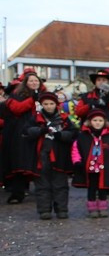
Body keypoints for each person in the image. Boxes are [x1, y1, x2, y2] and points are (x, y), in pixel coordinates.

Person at [25, 91, 76, 219]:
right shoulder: (35, 119)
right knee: (42, 185)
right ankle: (44, 210)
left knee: (60, 184)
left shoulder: (64, 119)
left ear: (56, 104)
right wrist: (40, 131)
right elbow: (26, 132)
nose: (48, 106)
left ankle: (61, 209)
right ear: (42, 105)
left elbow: (73, 133)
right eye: (46, 104)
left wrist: (60, 135)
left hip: (59, 156)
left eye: (51, 103)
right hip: (41, 156)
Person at [1, 69, 45, 203]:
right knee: (20, 163)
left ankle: (44, 192)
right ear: (26, 82)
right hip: (22, 133)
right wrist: (32, 99)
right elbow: (17, 109)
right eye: (31, 80)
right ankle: (17, 192)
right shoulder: (17, 95)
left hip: (41, 131)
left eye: (36, 80)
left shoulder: (45, 95)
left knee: (43, 161)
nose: (33, 82)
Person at [71, 109, 109, 218]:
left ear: (104, 122)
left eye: (100, 120)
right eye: (95, 120)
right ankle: (92, 207)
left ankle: (103, 207)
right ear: (90, 122)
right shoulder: (83, 136)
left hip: (104, 167)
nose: (97, 123)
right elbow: (76, 149)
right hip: (90, 168)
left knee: (103, 188)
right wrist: (77, 161)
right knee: (91, 188)